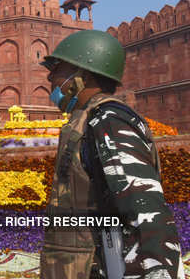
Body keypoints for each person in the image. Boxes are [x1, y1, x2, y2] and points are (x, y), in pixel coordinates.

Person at [39, 30, 183, 279]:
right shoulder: (88, 121)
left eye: (58, 69)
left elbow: (144, 209)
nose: (50, 77)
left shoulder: (109, 122)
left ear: (80, 76)